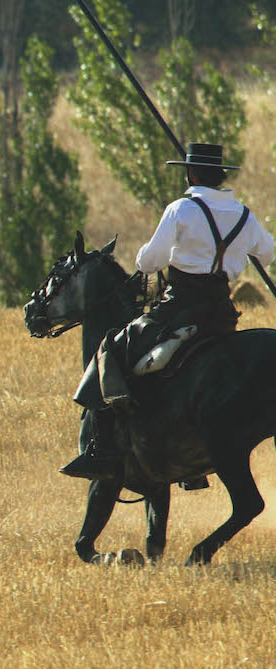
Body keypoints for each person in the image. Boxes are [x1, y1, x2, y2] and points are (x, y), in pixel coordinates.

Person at [61, 142, 275, 481]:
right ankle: (192, 467)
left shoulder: (181, 210)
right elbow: (268, 252)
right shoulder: (244, 215)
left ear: (190, 173)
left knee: (112, 348)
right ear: (219, 176)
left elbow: (148, 262)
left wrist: (157, 251)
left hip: (179, 310)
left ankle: (99, 450)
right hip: (220, 315)